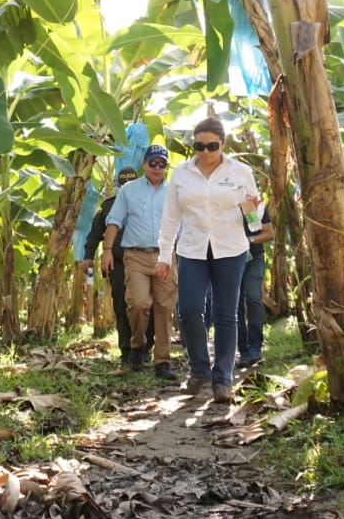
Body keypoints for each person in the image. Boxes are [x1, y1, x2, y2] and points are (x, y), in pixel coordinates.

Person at [155, 117, 259, 403]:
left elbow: (255, 221)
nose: (205, 151)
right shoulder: (182, 173)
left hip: (230, 249)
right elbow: (170, 217)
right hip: (192, 249)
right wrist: (164, 255)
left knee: (227, 314)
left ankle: (222, 378)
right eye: (199, 145)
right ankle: (199, 369)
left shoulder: (241, 171)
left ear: (223, 144)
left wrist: (253, 208)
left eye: (212, 145)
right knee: (188, 309)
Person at [103, 145, 176, 380]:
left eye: (161, 164)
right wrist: (106, 250)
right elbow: (114, 220)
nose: (157, 167)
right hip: (135, 255)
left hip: (165, 255)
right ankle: (137, 344)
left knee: (164, 307)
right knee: (138, 303)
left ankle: (162, 361)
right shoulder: (129, 190)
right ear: (144, 164)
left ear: (166, 166)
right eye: (152, 163)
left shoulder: (174, 192)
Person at [81, 166, 152, 367]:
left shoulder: (147, 201)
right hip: (118, 264)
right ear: (119, 184)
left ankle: (147, 347)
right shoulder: (109, 205)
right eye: (124, 182)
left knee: (146, 305)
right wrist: (88, 257)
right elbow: (95, 233)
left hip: (144, 260)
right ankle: (126, 350)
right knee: (122, 306)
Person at [238, 191, 273, 367]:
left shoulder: (251, 208)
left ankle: (255, 348)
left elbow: (268, 234)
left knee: (253, 298)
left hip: (254, 258)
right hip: (230, 260)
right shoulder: (221, 208)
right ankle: (243, 351)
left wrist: (247, 240)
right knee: (235, 304)